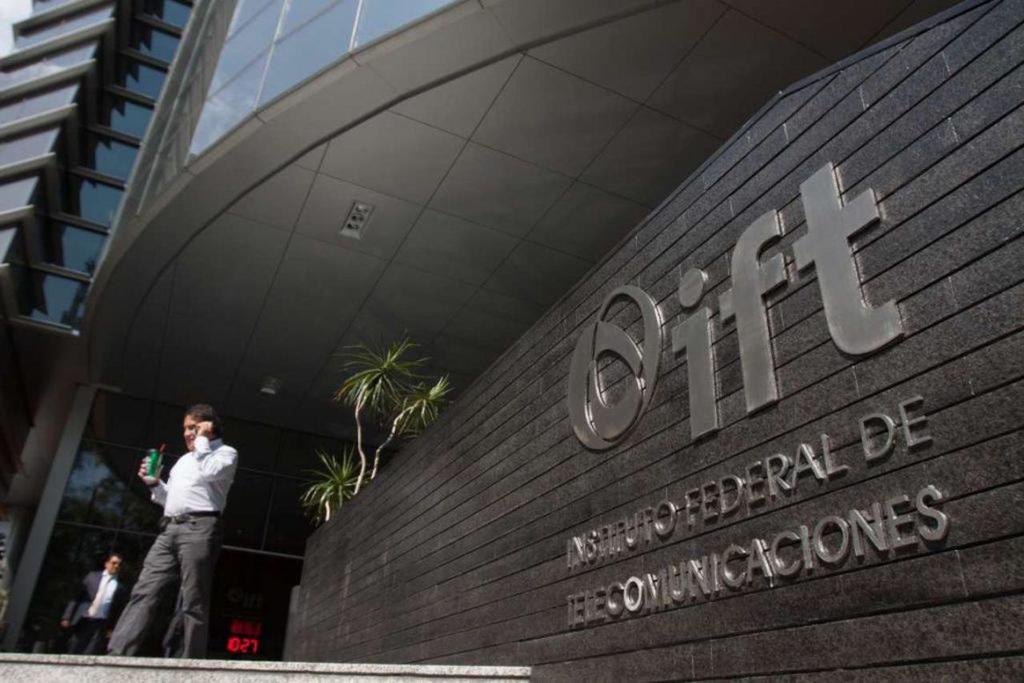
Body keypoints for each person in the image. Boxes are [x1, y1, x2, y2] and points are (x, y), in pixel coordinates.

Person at [107, 404, 237, 658]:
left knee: (193, 598)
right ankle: (117, 653)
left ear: (209, 427)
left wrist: (202, 440)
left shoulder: (226, 453)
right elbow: (172, 500)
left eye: (193, 427)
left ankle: (189, 660)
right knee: (145, 589)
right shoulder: (183, 461)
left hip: (200, 528)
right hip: (169, 528)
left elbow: (210, 471)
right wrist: (155, 484)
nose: (187, 433)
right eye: (185, 428)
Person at [60, 553, 128, 654]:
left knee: (91, 651)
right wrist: (67, 616)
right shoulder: (91, 577)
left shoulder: (120, 587)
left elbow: (117, 610)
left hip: (101, 624)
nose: (116, 566)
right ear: (106, 564)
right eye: (114, 563)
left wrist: (111, 628)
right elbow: (77, 597)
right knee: (74, 647)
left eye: (119, 564)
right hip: (84, 619)